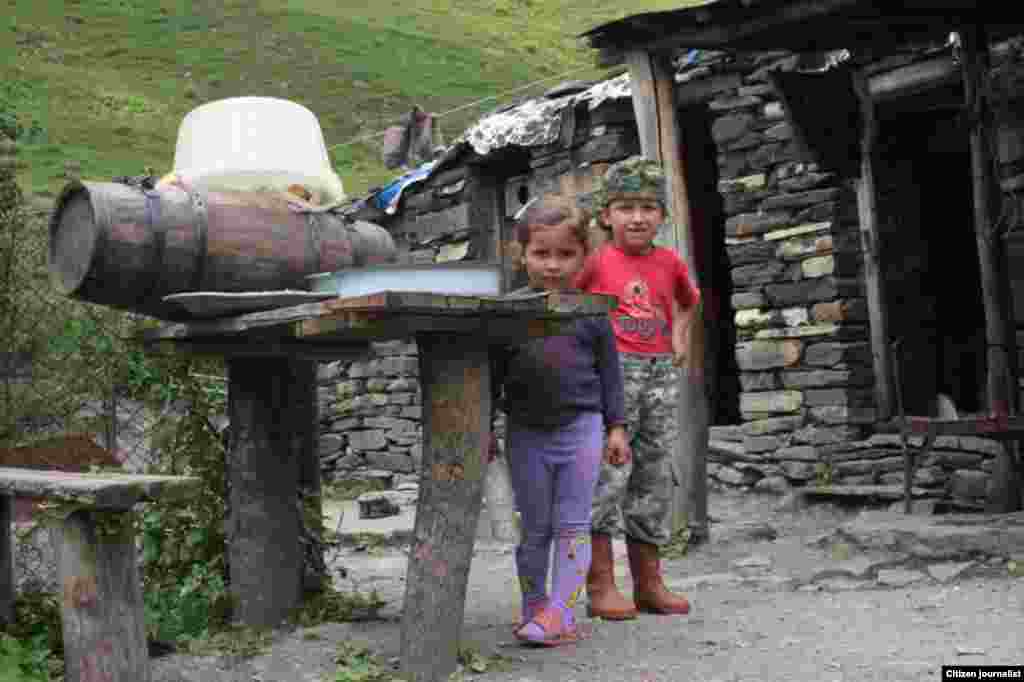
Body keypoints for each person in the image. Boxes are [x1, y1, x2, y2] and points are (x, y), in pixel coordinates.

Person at [490, 194, 630, 646]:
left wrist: (616, 426)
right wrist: (483, 428)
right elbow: (490, 375)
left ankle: (560, 614)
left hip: (581, 429)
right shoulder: (506, 314)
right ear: (521, 254)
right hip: (525, 432)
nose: (553, 265)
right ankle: (536, 607)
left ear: (583, 257)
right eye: (541, 253)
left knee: (572, 523)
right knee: (534, 527)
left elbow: (610, 373)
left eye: (566, 254)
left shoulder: (591, 313)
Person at [574, 156, 701, 620]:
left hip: (660, 376)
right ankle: (601, 586)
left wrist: (681, 338)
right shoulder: (596, 263)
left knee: (652, 475)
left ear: (662, 216)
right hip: (613, 377)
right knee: (609, 476)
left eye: (649, 207)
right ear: (606, 215)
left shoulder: (670, 263)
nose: (638, 217)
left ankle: (650, 584)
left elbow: (689, 304)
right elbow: (572, 310)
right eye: (626, 206)